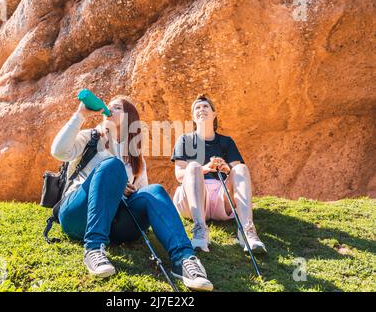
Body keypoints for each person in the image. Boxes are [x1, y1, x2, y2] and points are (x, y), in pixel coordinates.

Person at [50, 94, 214, 291]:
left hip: (116, 225)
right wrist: (81, 114)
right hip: (77, 214)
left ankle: (184, 259)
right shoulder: (90, 138)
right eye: (109, 106)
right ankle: (93, 248)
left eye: (117, 107)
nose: (109, 109)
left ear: (129, 117)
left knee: (154, 191)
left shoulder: (136, 158)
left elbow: (142, 198)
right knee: (112, 166)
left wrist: (126, 192)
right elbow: (58, 151)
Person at [171, 94, 267, 254]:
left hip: (221, 199)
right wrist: (205, 168)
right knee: (193, 166)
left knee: (241, 168)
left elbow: (238, 173)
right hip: (193, 199)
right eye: (197, 107)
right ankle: (200, 230)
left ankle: (247, 232)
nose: (201, 109)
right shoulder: (185, 140)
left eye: (205, 106)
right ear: (193, 117)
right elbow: (180, 175)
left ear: (214, 114)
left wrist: (226, 168)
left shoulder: (226, 142)